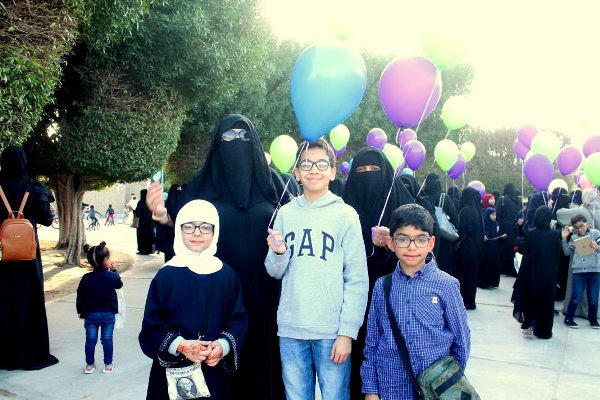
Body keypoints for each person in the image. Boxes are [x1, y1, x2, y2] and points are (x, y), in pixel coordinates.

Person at [146, 114, 285, 400]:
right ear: (217, 143)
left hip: (263, 299)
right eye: (228, 137)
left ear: (255, 143)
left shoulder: (274, 185)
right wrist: (163, 217)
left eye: (244, 136)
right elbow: (183, 233)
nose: (237, 142)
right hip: (212, 298)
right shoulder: (201, 185)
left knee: (259, 371)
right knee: (214, 371)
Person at [265, 139, 369, 400]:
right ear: (297, 172)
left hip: (331, 331)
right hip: (291, 328)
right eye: (306, 164)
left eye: (322, 164)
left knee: (335, 395)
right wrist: (278, 252)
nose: (314, 170)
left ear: (332, 172)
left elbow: (357, 279)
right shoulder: (285, 214)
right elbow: (274, 271)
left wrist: (347, 333)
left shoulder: (346, 215)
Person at [139, 200, 247, 399]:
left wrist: (223, 346)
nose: (197, 233)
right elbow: (151, 327)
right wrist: (181, 346)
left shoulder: (227, 275)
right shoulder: (166, 276)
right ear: (179, 230)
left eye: (205, 227)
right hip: (172, 376)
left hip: (215, 373)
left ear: (215, 231)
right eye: (189, 227)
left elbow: (238, 321)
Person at [361, 204, 470, 399]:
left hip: (435, 390)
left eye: (421, 239)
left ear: (431, 243)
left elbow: (461, 340)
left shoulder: (446, 285)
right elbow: (372, 342)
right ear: (391, 242)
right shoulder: (382, 286)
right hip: (392, 388)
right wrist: (371, 390)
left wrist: (450, 383)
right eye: (403, 239)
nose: (412, 247)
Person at [342, 147, 412, 399]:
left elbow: (423, 256)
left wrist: (393, 243)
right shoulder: (343, 210)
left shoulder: (404, 208)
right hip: (353, 304)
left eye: (374, 170)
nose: (368, 175)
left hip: (395, 303)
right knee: (356, 364)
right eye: (361, 170)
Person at [0, 146, 59, 371]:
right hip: (27, 255)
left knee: (4, 301)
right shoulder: (34, 188)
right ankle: (31, 351)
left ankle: (6, 353)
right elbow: (47, 219)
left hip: (2, 255)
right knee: (30, 300)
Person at [511, 206, 561, 339]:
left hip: (532, 273)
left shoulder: (531, 234)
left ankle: (530, 323)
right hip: (548, 275)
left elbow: (525, 252)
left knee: (532, 298)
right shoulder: (554, 235)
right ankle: (544, 331)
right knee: (546, 301)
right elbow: (557, 255)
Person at [76, 242, 123, 373]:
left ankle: (89, 366)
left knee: (90, 340)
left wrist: (80, 311)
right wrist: (114, 270)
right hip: (108, 314)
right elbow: (119, 285)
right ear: (106, 260)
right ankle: (108, 365)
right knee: (107, 339)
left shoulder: (86, 278)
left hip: (91, 314)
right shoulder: (112, 276)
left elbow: (80, 295)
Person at [562, 214, 600, 329]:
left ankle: (593, 319)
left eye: (581, 226)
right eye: (576, 227)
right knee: (576, 297)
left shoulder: (595, 233)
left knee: (593, 298)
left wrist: (597, 247)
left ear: (587, 224)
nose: (580, 229)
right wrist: (564, 239)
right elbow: (567, 253)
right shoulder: (574, 237)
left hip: (594, 270)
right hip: (578, 272)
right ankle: (568, 319)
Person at [422, 173, 459, 277]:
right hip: (444, 239)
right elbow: (455, 219)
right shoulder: (444, 197)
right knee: (444, 270)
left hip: (425, 238)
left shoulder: (422, 196)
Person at [456, 187, 484, 310]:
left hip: (466, 247)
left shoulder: (465, 210)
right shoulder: (478, 211)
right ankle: (471, 301)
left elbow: (461, 230)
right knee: (472, 274)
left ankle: (465, 301)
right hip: (476, 247)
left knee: (464, 274)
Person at [496, 184, 521, 277]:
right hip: (516, 227)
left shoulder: (502, 199)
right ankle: (514, 268)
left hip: (505, 227)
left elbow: (498, 214)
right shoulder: (518, 200)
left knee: (504, 248)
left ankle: (504, 269)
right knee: (513, 248)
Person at [478, 208, 507, 289]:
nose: (494, 216)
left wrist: (502, 236)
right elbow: (481, 233)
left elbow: (498, 233)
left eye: (495, 214)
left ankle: (492, 282)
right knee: (486, 264)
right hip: (486, 249)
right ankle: (484, 283)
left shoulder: (496, 224)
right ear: (488, 215)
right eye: (492, 215)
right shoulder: (484, 224)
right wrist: (484, 235)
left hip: (494, 248)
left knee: (493, 264)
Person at [135, 189, 154, 255]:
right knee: (149, 236)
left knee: (141, 237)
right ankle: (148, 250)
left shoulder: (140, 202)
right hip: (150, 222)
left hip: (142, 223)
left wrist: (134, 210)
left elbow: (138, 213)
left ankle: (142, 250)